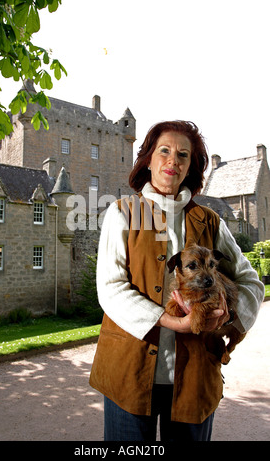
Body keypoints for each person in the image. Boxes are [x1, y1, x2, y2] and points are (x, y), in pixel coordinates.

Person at [89, 121, 264, 441]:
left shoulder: (210, 220)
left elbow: (250, 279)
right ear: (148, 160)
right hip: (127, 371)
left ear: (190, 168)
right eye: (164, 151)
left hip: (195, 375)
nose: (173, 160)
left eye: (183, 154)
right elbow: (111, 287)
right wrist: (171, 321)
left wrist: (231, 316)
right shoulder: (122, 213)